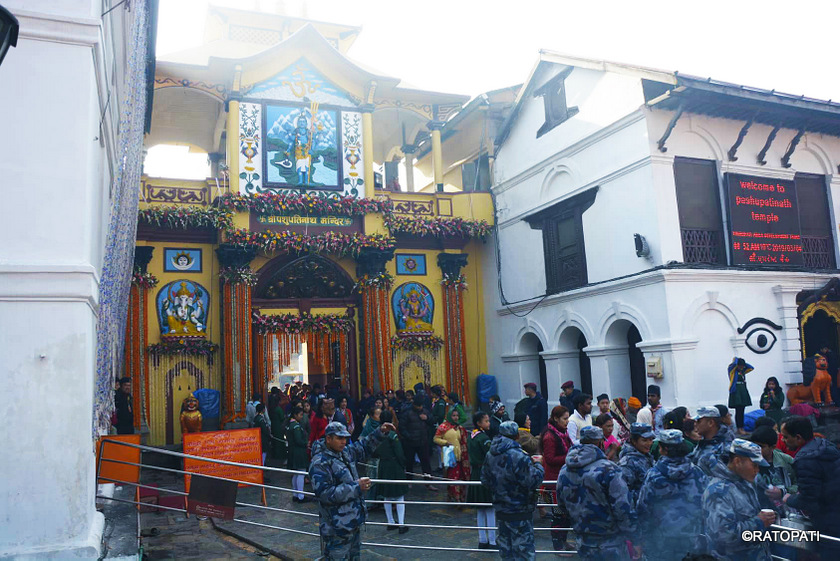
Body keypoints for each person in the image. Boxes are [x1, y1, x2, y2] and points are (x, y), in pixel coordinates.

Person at [309, 420, 396, 560]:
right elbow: (325, 494)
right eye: (339, 438)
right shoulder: (319, 463)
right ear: (328, 439)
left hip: (352, 523)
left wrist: (381, 432)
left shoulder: (344, 452)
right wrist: (356, 487)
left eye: (345, 438)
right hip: (336, 527)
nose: (343, 441)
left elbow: (363, 447)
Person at [557, 425, 637, 560]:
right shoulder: (610, 469)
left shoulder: (565, 469)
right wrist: (635, 538)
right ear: (601, 443)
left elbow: (561, 504)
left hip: (583, 541)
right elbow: (623, 508)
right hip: (611, 542)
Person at [636, 429, 707, 561]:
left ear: (663, 449)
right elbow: (707, 506)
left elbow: (643, 510)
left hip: (662, 542)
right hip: (692, 539)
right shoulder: (697, 472)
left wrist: (642, 538)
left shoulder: (653, 475)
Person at [481, 421, 545, 560]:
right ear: (516, 435)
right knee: (524, 553)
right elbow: (533, 481)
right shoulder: (519, 456)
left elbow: (485, 480)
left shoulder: (490, 453)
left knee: (506, 553)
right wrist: (539, 465)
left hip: (501, 510)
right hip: (520, 511)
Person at [703, 439, 774, 561]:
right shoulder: (718, 491)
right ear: (737, 461)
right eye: (754, 465)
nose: (757, 470)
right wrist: (759, 522)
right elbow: (724, 535)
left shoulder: (745, 481)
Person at [780, 415, 840, 557]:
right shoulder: (823, 446)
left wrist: (788, 498)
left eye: (786, 437)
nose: (783, 440)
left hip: (829, 520)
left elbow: (809, 500)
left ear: (798, 438)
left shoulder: (806, 460)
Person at [540, 406, 573, 551]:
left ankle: (564, 541)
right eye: (565, 419)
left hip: (563, 479)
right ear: (556, 419)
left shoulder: (562, 433)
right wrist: (569, 458)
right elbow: (550, 459)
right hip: (553, 483)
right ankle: (558, 546)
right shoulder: (549, 436)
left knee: (566, 515)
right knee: (558, 515)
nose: (567, 422)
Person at [749, 426, 798, 518]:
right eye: (754, 446)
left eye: (761, 446)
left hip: (784, 513)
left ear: (772, 447)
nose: (756, 450)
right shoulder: (748, 462)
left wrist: (783, 492)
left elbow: (800, 484)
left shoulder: (786, 461)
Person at [373, 410, 409, 534]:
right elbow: (399, 453)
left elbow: (374, 451)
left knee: (386, 496)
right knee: (399, 496)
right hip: (394, 465)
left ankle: (390, 522)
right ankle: (402, 524)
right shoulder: (393, 435)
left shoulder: (377, 434)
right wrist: (403, 463)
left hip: (383, 465)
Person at [468, 412, 497, 550]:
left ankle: (482, 540)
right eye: (486, 421)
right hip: (484, 472)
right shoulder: (483, 438)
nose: (488, 423)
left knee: (480, 510)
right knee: (490, 508)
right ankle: (492, 541)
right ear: (479, 423)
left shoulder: (472, 436)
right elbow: (490, 455)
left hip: (475, 473)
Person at [433, 408, 470, 502]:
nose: (456, 418)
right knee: (453, 478)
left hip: (460, 457)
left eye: (457, 416)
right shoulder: (443, 427)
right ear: (450, 416)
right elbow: (436, 439)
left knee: (460, 478)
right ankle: (455, 497)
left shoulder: (459, 428)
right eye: (453, 416)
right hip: (449, 458)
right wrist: (445, 443)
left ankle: (459, 497)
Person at [618, 422, 654, 506]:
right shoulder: (627, 463)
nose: (649, 443)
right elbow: (623, 492)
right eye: (644, 440)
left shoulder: (646, 456)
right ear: (634, 441)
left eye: (651, 439)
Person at [398, 398, 434, 481]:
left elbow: (432, 421)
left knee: (426, 462)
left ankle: (428, 482)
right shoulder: (407, 413)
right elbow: (401, 427)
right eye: (419, 406)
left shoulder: (425, 411)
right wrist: (409, 436)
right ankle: (409, 480)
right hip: (410, 442)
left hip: (423, 441)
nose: (420, 407)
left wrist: (427, 418)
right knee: (409, 462)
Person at [689, 406, 727, 477]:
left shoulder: (723, 448)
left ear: (710, 423)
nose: (695, 424)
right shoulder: (703, 443)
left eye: (699, 421)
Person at [287, 406, 310, 502]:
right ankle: (301, 496)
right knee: (301, 473)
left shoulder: (291, 425)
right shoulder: (296, 426)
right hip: (299, 452)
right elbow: (298, 440)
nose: (301, 417)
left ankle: (295, 494)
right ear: (295, 415)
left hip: (292, 452)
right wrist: (306, 443)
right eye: (300, 415)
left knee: (296, 474)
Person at [727, 357, 754, 434]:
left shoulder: (743, 372)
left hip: (743, 391)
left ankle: (742, 428)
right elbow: (733, 365)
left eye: (742, 366)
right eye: (740, 365)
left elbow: (751, 368)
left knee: (742, 410)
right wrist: (736, 359)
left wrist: (744, 363)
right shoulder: (732, 371)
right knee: (738, 410)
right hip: (736, 392)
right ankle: (739, 428)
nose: (742, 367)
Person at [269, 394, 287, 462]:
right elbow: (282, 418)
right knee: (280, 441)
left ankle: (275, 455)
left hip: (274, 426)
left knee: (275, 441)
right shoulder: (279, 409)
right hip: (279, 426)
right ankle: (280, 455)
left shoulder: (272, 408)